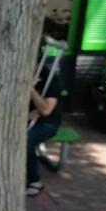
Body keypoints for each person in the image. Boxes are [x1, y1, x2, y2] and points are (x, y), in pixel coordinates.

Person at [26, 47, 65, 197]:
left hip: (48, 123)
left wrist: (30, 89)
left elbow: (46, 110)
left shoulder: (51, 79)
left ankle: (35, 181)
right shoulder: (19, 74)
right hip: (28, 118)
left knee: (26, 140)